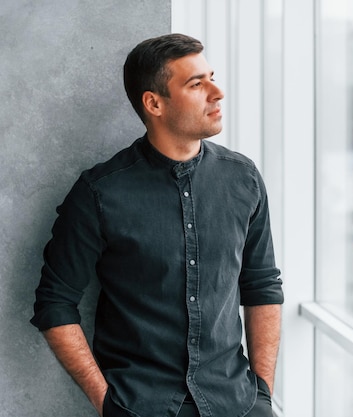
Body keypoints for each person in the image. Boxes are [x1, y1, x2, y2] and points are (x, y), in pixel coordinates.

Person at [30, 33, 283, 417]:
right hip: (140, 405)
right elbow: (54, 304)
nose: (217, 92)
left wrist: (262, 393)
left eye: (211, 76)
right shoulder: (100, 193)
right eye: (197, 84)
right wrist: (108, 404)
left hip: (237, 401)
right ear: (154, 103)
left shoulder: (243, 179)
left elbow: (261, 285)